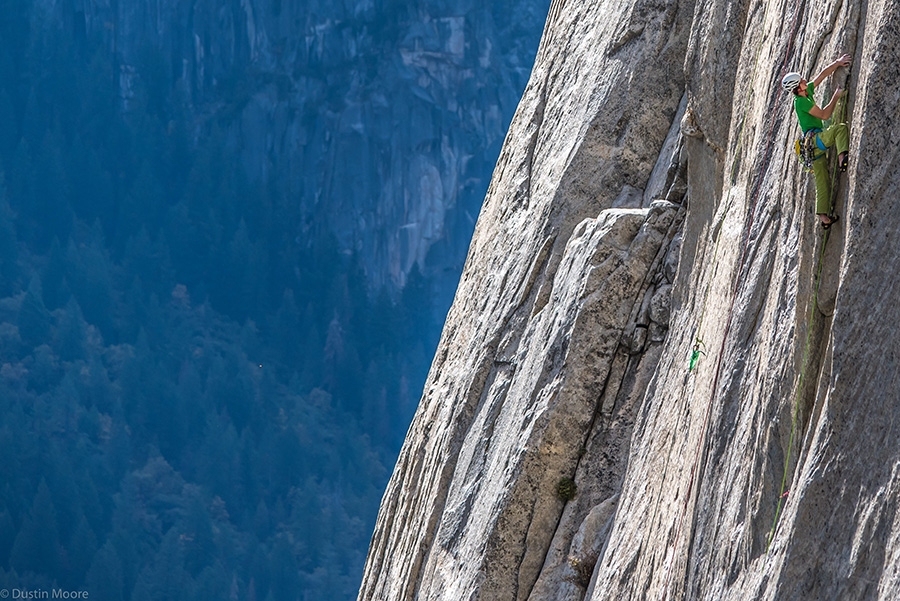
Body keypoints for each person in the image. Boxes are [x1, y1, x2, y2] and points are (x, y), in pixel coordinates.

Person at [781, 53, 851, 228]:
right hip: (815, 141)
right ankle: (843, 158)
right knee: (839, 129)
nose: (806, 79)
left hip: (810, 149)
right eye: (802, 80)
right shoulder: (801, 102)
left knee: (822, 181)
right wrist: (836, 96)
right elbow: (825, 115)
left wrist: (837, 62)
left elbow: (822, 75)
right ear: (798, 87)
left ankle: (824, 217)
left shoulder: (805, 92)